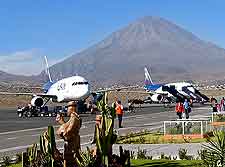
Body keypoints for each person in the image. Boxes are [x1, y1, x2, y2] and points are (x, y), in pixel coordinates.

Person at [56, 101, 82, 166]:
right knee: (68, 158)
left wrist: (62, 132)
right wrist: (62, 122)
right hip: (72, 141)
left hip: (71, 142)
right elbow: (68, 127)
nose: (67, 111)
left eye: (68, 109)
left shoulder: (74, 118)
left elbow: (69, 131)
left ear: (71, 109)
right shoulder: (73, 118)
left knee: (71, 158)